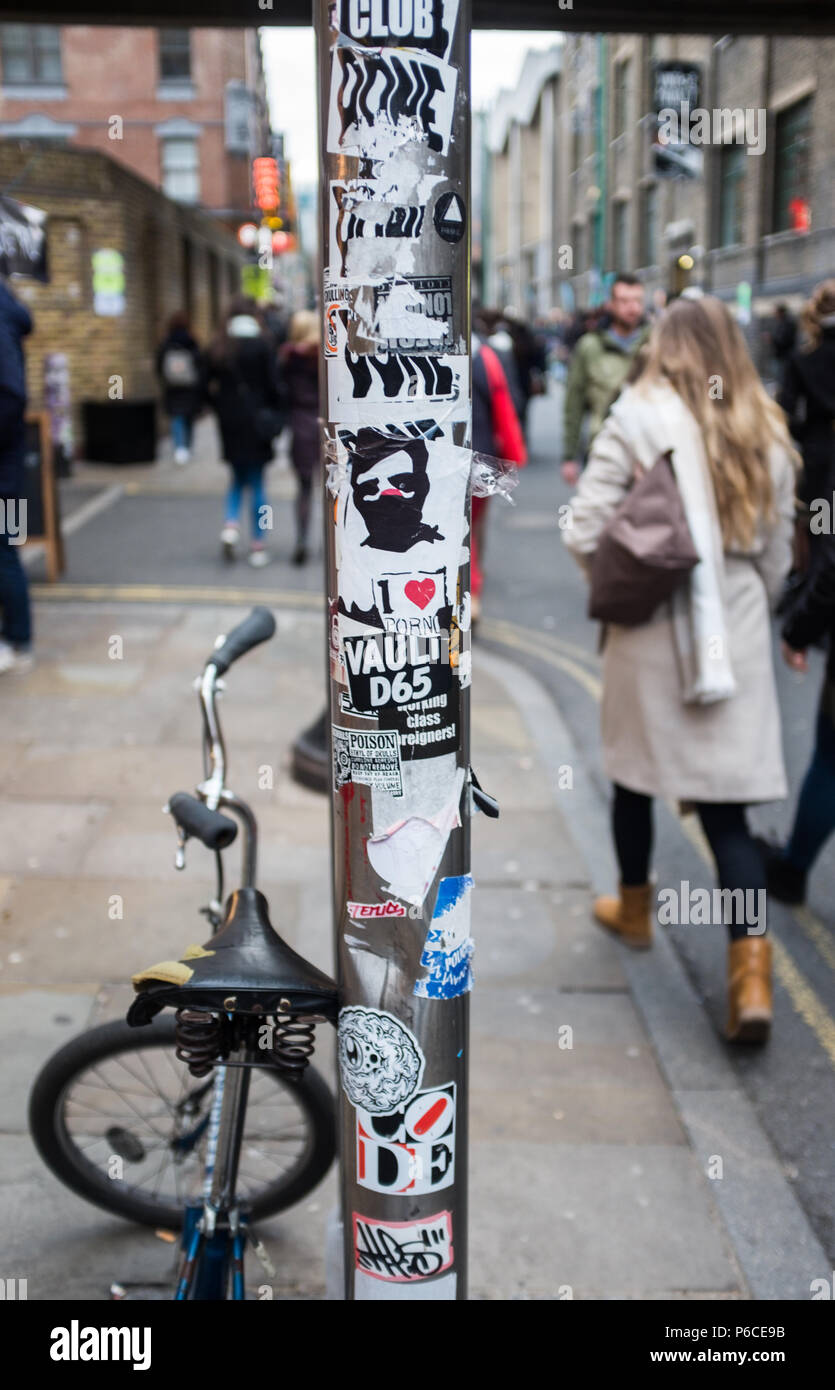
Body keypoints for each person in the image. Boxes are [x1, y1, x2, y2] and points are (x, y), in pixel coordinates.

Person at [562, 296, 798, 1044]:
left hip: (653, 625)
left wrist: (621, 573)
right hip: (733, 625)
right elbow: (776, 554)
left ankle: (633, 911)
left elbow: (585, 526)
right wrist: (746, 604)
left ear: (663, 347)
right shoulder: (761, 422)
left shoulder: (636, 416)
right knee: (727, 815)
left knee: (633, 780)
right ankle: (749, 977)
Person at [761, 282, 835, 905]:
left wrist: (799, 628)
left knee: (831, 762)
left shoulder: (807, 363)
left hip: (817, 478)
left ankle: (791, 870)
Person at [204, 297, 285, 567]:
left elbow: (204, 386)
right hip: (257, 423)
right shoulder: (263, 344)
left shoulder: (219, 345)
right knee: (258, 482)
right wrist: (277, 416)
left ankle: (230, 527)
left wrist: (220, 408)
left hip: (230, 424)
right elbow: (275, 387)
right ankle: (258, 546)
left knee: (237, 479)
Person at [561, 273, 648, 486]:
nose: (633, 308)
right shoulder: (590, 346)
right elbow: (574, 402)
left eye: (637, 301)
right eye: (625, 301)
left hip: (648, 453)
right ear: (611, 304)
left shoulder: (657, 343)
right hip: (603, 448)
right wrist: (569, 456)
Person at [470, 324, 526, 622]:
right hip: (484, 456)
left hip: (446, 456)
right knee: (475, 525)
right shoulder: (487, 358)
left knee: (460, 525)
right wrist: (513, 453)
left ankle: (469, 586)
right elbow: (504, 406)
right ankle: (472, 588)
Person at [0, 276, 34, 674]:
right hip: (9, 467)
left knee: (5, 550)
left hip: (5, 473)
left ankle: (18, 638)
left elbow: (10, 396)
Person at [279, 310, 320, 566]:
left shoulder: (287, 358)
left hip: (300, 424)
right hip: (326, 423)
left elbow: (280, 393)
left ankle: (302, 539)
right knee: (335, 489)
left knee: (304, 488)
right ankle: (337, 541)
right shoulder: (325, 357)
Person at [156, 312, 203, 465]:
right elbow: (200, 363)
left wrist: (165, 379)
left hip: (173, 387)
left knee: (177, 417)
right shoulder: (192, 341)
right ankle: (187, 446)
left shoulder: (166, 342)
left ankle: (180, 448)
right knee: (188, 418)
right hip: (190, 387)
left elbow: (159, 365)